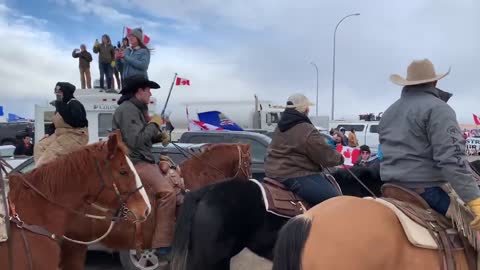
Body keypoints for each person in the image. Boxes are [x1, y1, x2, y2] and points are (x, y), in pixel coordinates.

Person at [379, 59, 480, 230]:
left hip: (391, 187)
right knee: (474, 230)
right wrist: (474, 199)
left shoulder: (389, 111)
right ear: (435, 81)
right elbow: (452, 159)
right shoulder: (439, 109)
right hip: (425, 191)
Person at [112, 75, 173, 256]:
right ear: (139, 91)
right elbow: (136, 141)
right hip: (134, 163)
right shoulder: (128, 110)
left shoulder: (136, 109)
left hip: (140, 160)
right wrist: (154, 124)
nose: (150, 93)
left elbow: (141, 137)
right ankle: (163, 244)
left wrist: (158, 136)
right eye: (148, 90)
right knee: (168, 193)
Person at [265, 93, 344, 206]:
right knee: (335, 202)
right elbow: (324, 155)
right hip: (295, 174)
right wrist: (339, 158)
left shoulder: (280, 126)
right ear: (305, 110)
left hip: (273, 172)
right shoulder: (306, 129)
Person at [34, 82, 88, 166]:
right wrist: (48, 133)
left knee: (50, 153)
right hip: (60, 134)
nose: (57, 95)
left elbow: (77, 123)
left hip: (75, 135)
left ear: (66, 93)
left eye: (59, 93)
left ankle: (44, 174)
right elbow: (55, 123)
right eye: (56, 93)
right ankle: (41, 170)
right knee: (40, 146)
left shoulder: (74, 104)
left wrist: (61, 106)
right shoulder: (61, 105)